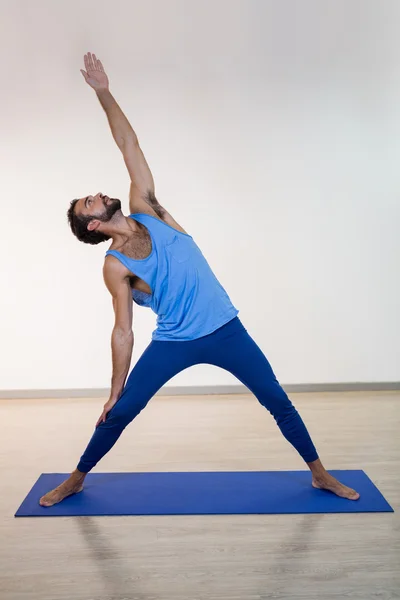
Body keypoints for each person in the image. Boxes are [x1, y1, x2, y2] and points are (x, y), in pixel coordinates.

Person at [39, 53, 359, 507]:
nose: (98, 196)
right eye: (89, 203)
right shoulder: (115, 266)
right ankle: (76, 477)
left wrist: (103, 92)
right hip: (175, 341)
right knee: (121, 412)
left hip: (227, 330)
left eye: (93, 195)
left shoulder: (149, 210)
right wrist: (115, 389)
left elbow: (129, 145)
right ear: (92, 226)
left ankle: (320, 474)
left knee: (277, 401)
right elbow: (123, 329)